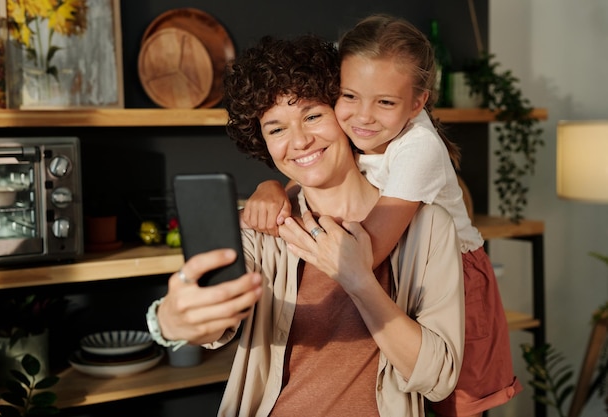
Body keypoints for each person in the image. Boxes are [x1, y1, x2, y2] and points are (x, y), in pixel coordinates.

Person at [147, 35, 464, 417]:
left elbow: (439, 377)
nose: (299, 141)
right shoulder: (261, 229)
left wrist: (359, 281)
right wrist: (170, 320)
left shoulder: (429, 228)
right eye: (276, 129)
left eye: (312, 115)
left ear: (342, 112)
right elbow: (212, 321)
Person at [242, 15, 521, 417]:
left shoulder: (418, 148)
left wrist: (302, 239)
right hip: (410, 261)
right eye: (349, 96)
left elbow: (363, 255)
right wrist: (270, 189)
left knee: (453, 404)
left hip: (453, 273)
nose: (363, 116)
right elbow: (306, 172)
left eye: (385, 102)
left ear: (418, 102)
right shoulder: (365, 131)